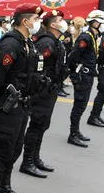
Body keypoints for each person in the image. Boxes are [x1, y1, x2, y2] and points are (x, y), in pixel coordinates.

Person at [0, 3, 44, 193]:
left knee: (15, 148)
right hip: (8, 105)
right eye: (35, 19)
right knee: (3, 149)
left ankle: (5, 187)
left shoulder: (28, 43)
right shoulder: (10, 43)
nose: (37, 23)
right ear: (24, 21)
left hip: (23, 104)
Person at [20, 10, 69, 178]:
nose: (64, 22)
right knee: (37, 124)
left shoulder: (55, 41)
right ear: (53, 25)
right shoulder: (46, 42)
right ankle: (27, 162)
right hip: (42, 91)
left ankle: (35, 158)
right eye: (60, 20)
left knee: (42, 125)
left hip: (51, 89)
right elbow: (37, 66)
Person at [66, 10, 104, 146]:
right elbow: (73, 56)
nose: (102, 24)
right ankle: (72, 134)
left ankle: (76, 131)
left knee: (82, 105)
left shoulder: (93, 36)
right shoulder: (86, 37)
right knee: (79, 105)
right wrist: (74, 75)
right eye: (101, 21)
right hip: (82, 76)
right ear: (94, 22)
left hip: (88, 76)